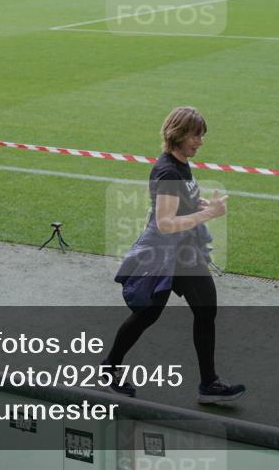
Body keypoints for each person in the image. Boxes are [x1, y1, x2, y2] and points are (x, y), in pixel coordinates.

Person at [103, 106, 245, 404]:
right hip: (165, 255)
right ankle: (108, 369)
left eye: (201, 136)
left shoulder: (180, 164)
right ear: (178, 134)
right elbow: (166, 223)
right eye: (195, 136)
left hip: (184, 253)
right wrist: (209, 213)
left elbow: (179, 201)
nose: (200, 142)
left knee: (205, 310)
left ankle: (209, 383)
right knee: (147, 313)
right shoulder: (168, 171)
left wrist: (199, 202)